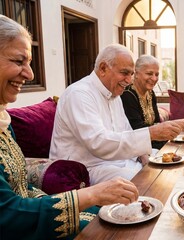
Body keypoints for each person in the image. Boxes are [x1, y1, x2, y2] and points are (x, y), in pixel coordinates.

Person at [0, 15, 140, 239]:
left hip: (35, 209)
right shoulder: (79, 93)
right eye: (19, 61)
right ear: (103, 68)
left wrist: (80, 202)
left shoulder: (3, 123)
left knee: (124, 216)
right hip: (85, 171)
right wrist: (89, 196)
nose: (30, 74)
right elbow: (7, 215)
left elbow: (23, 188)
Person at [50, 44, 184, 185]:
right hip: (90, 168)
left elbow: (126, 131)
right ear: (103, 68)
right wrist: (152, 133)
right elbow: (99, 143)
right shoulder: (79, 94)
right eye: (124, 73)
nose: (129, 80)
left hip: (120, 162)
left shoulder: (114, 95)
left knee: (175, 162)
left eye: (131, 74)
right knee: (151, 181)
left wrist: (143, 155)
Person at [121, 54, 166, 150]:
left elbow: (157, 122)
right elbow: (137, 130)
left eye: (156, 74)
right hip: (137, 148)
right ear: (136, 74)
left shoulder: (150, 93)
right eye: (149, 74)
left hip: (153, 143)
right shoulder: (127, 94)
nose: (154, 78)